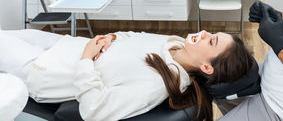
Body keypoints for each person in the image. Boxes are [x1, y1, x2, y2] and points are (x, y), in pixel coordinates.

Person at [0, 28, 253, 121]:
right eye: (213, 33)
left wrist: (87, 58)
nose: (206, 33)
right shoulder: (174, 44)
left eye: (211, 42)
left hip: (45, 70)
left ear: (207, 68)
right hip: (63, 45)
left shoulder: (158, 83)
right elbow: (134, 37)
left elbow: (93, 110)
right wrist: (111, 38)